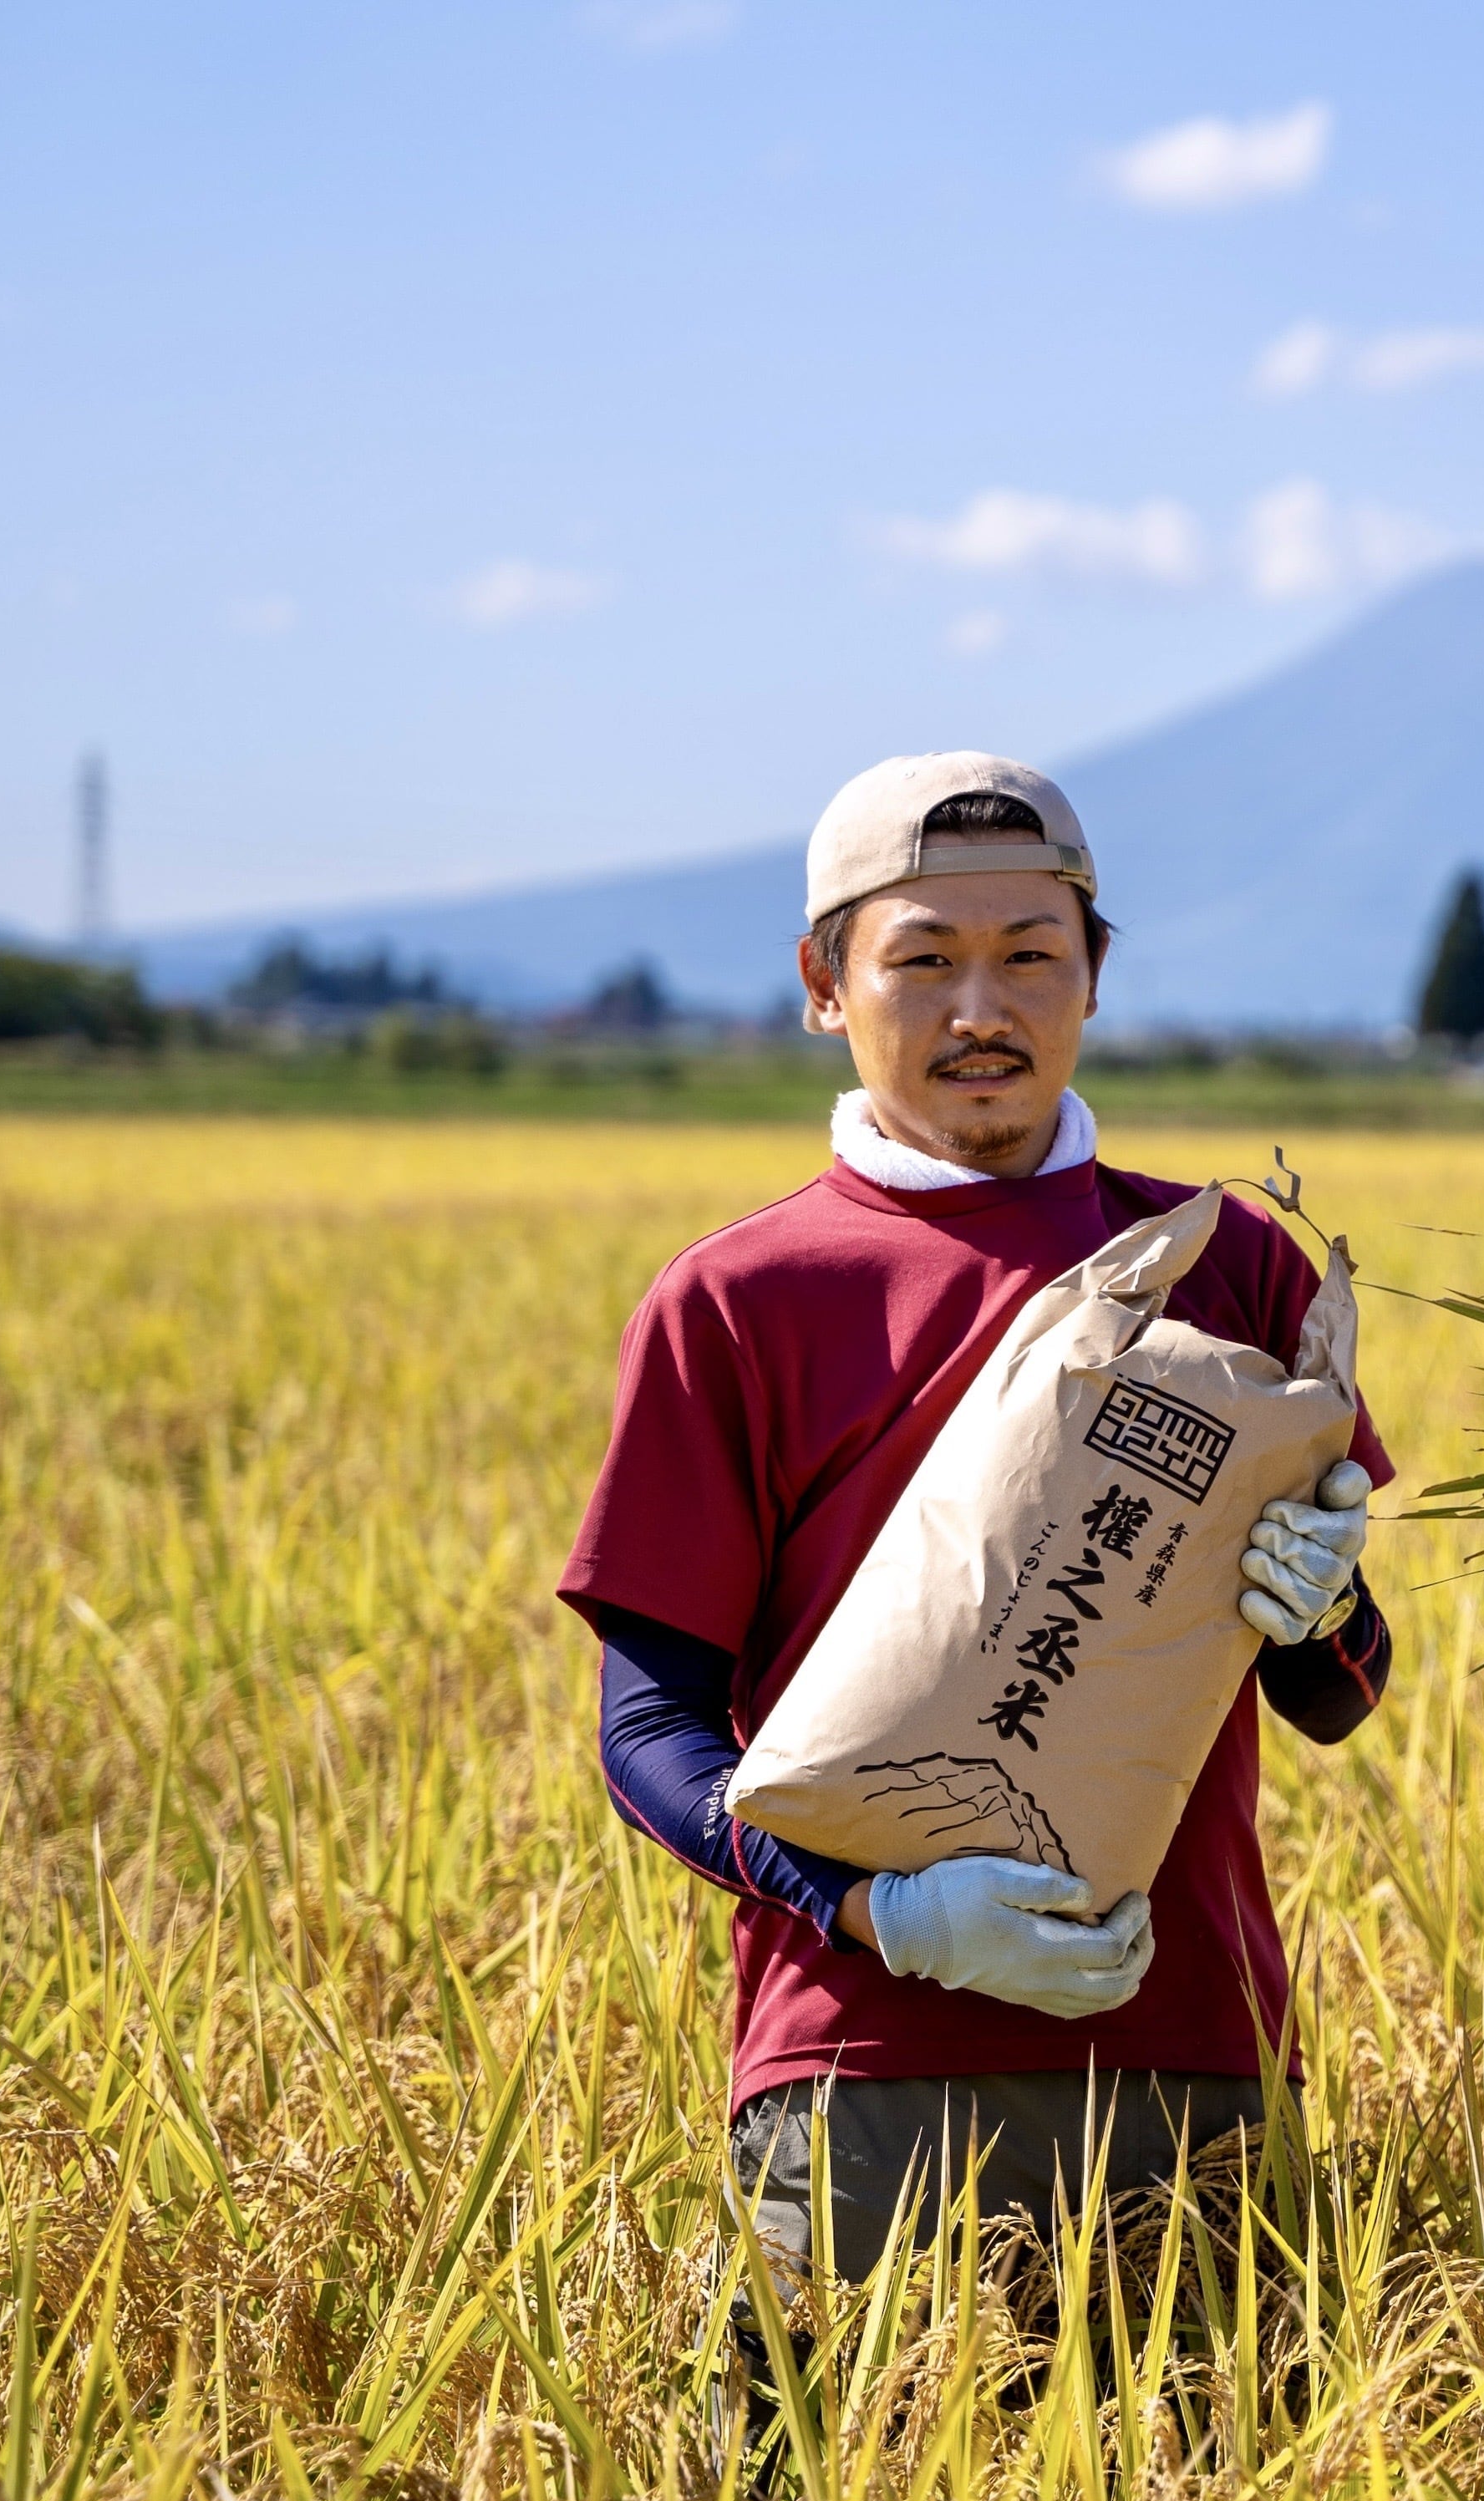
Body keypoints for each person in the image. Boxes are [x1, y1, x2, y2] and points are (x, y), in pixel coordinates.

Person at [558, 751, 1395, 2327]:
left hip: (1193, 2051)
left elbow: (1341, 1694)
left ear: (1093, 977)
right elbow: (647, 1734)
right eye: (922, 959)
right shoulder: (741, 1303)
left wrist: (1321, 1609)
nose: (979, 1010)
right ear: (825, 983)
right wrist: (883, 1912)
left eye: (1029, 956)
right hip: (862, 2074)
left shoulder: (1229, 1268)